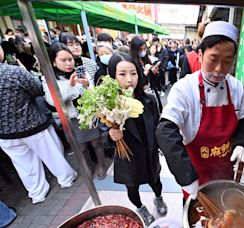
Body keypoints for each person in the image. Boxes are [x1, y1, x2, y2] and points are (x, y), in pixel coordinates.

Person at [156, 21, 244, 200]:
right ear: (200, 55)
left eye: (227, 62)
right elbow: (165, 132)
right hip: (195, 173)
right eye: (213, 59)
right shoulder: (184, 89)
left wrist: (240, 145)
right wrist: (185, 176)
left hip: (225, 170)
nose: (219, 69)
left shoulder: (235, 87)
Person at [0, 45, 77, 204]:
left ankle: (37, 193)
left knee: (24, 165)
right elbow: (37, 89)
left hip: (4, 133)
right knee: (52, 154)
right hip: (31, 123)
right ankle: (66, 179)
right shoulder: (14, 72)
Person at [107, 52, 168, 226]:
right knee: (132, 188)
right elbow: (103, 136)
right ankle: (141, 208)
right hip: (128, 156)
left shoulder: (148, 100)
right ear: (112, 76)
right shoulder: (108, 104)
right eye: (122, 74)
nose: (129, 80)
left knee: (156, 180)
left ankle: (158, 199)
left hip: (149, 152)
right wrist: (111, 136)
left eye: (133, 73)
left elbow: (158, 125)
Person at [43, 43, 106, 179]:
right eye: (63, 60)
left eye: (70, 59)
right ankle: (88, 166)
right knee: (81, 148)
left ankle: (101, 166)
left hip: (89, 116)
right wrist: (70, 85)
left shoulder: (81, 72)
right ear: (53, 62)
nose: (68, 63)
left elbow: (95, 94)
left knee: (96, 143)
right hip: (71, 119)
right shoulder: (49, 79)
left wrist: (88, 85)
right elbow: (53, 101)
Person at [130, 36, 163, 112]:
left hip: (151, 90)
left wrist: (154, 72)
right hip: (141, 95)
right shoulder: (132, 63)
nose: (143, 51)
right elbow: (137, 82)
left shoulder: (146, 59)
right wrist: (145, 73)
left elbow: (152, 78)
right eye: (141, 50)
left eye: (144, 49)